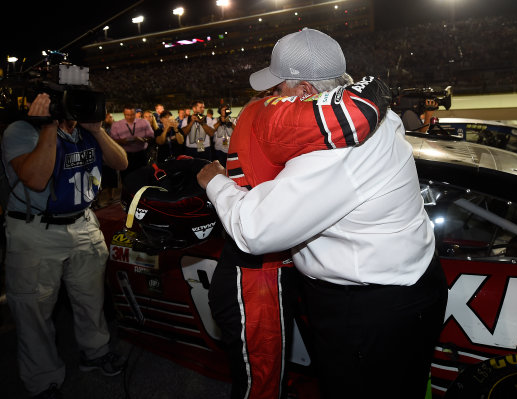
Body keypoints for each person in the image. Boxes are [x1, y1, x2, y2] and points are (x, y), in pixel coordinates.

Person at [197, 28, 447, 399]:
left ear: (304, 92)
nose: (271, 99)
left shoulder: (335, 153)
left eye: (278, 90)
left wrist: (216, 183)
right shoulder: (367, 116)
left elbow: (253, 230)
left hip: (370, 307)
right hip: (405, 289)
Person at [1, 93, 129, 399]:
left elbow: (120, 162)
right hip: (36, 228)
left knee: (90, 298)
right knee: (34, 310)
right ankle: (43, 379)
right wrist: (47, 126)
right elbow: (35, 179)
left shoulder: (86, 130)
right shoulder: (21, 131)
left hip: (82, 222)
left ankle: (94, 351)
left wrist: (97, 130)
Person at [109, 105, 155, 180]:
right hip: (125, 155)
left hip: (141, 155)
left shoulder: (144, 123)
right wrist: (121, 141)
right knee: (126, 178)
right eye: (127, 115)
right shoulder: (117, 125)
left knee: (142, 178)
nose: (130, 117)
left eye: (132, 114)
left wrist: (142, 139)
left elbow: (151, 137)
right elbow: (112, 141)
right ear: (124, 114)